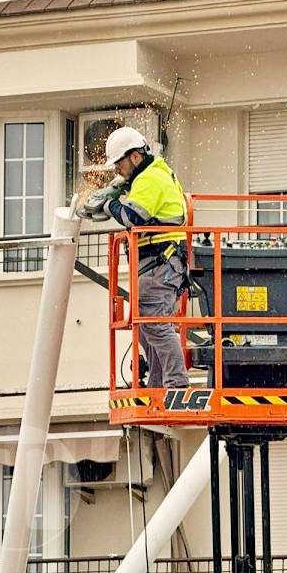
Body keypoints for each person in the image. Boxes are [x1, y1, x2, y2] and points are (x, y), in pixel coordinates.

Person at [100, 126, 190, 389]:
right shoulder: (153, 176)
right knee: (147, 325)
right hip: (158, 264)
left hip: (161, 263)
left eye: (120, 164)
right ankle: (159, 383)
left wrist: (109, 203)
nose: (118, 170)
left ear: (135, 157)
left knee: (153, 323)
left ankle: (176, 383)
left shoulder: (150, 179)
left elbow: (133, 217)